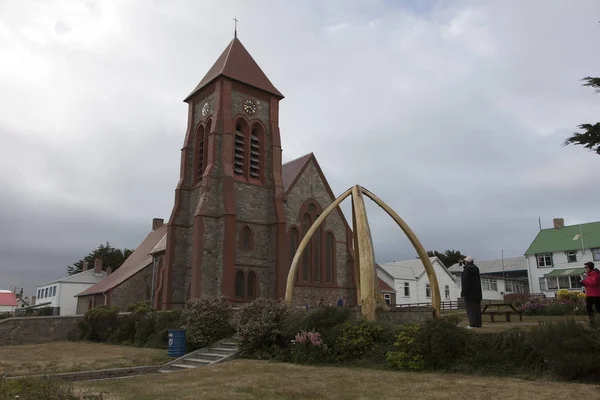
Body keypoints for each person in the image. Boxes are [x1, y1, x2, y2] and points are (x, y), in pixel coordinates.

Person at [460, 256, 483, 329]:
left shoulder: (466, 270)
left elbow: (465, 282)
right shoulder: (476, 268)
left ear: (467, 262)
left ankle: (472, 324)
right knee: (477, 309)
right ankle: (478, 324)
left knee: (470, 309)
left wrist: (463, 292)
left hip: (469, 293)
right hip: (477, 293)